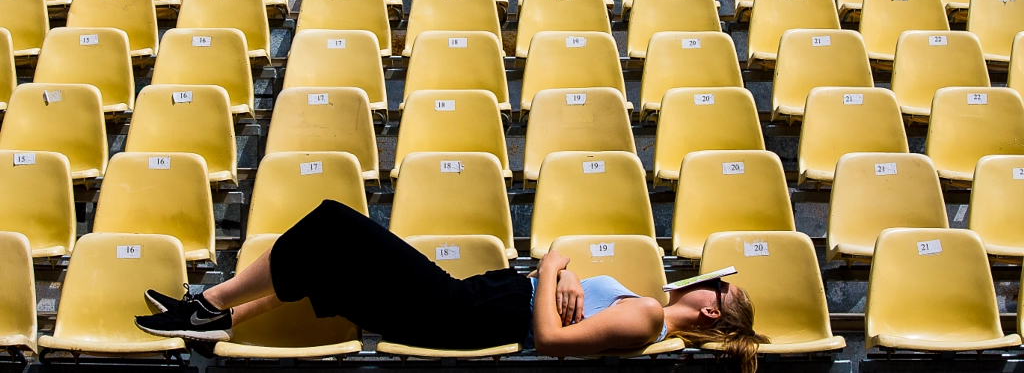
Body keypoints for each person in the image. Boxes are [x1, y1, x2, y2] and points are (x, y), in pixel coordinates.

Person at [136, 200, 767, 371]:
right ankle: (218, 316)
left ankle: (211, 303)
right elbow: (566, 309)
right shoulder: (645, 309)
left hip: (462, 314)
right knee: (323, 261)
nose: (705, 279)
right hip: (469, 301)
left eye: (716, 286)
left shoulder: (647, 319)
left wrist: (550, 266)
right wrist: (565, 274)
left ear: (712, 314)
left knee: (332, 223)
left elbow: (547, 341)